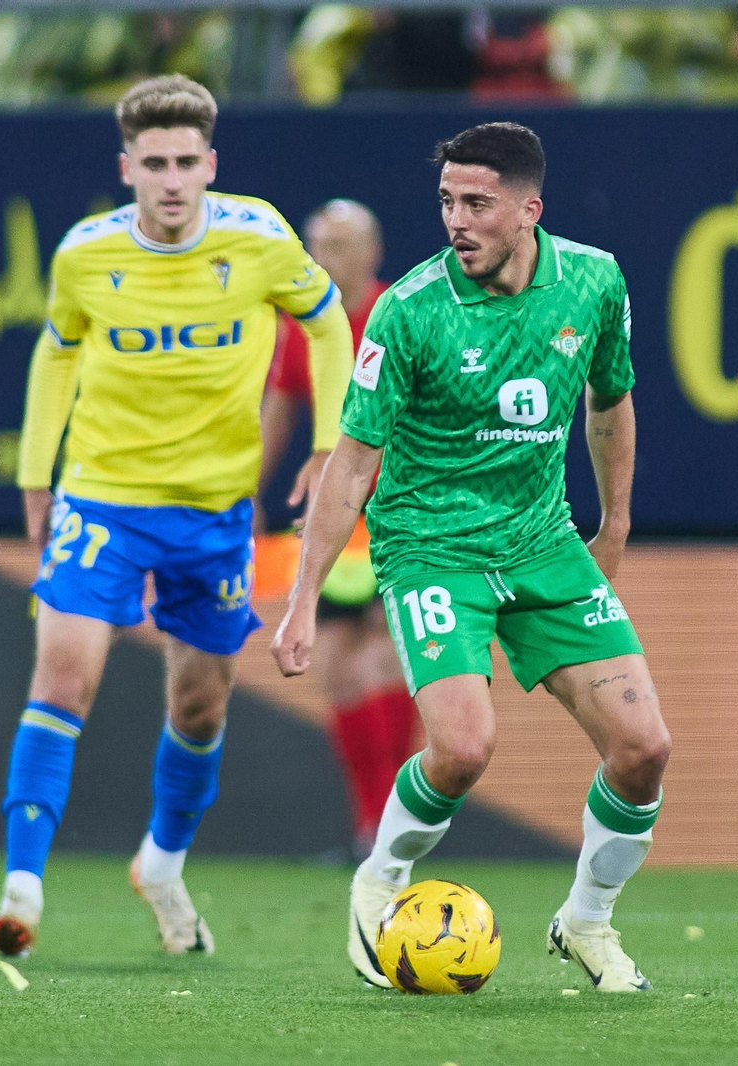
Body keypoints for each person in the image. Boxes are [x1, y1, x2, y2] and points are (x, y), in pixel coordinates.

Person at [272, 122, 671, 993]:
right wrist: (303, 597)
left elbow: (611, 401)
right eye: (448, 200)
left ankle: (587, 922)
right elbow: (353, 463)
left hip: (542, 542)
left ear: (530, 210)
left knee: (643, 749)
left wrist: (615, 525)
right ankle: (379, 880)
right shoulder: (410, 309)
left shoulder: (594, 282)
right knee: (461, 749)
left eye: (478, 203)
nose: (457, 219)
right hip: (431, 547)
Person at [0, 74, 355, 958]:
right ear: (127, 170)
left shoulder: (258, 237)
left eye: (187, 162)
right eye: (154, 164)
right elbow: (56, 353)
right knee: (62, 681)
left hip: (213, 509)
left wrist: (328, 443)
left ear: (211, 164)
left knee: (200, 707)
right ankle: (21, 891)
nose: (173, 180)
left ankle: (161, 863)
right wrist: (37, 475)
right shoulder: (85, 255)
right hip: (103, 497)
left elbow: (329, 321)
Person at [259, 199, 416, 857]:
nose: (327, 257)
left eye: (342, 244)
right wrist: (249, 494)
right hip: (335, 519)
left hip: (399, 515)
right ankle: (370, 827)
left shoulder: (399, 313)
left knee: (385, 655)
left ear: (372, 252)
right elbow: (278, 410)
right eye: (319, 244)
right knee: (337, 668)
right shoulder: (300, 326)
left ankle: (399, 826)